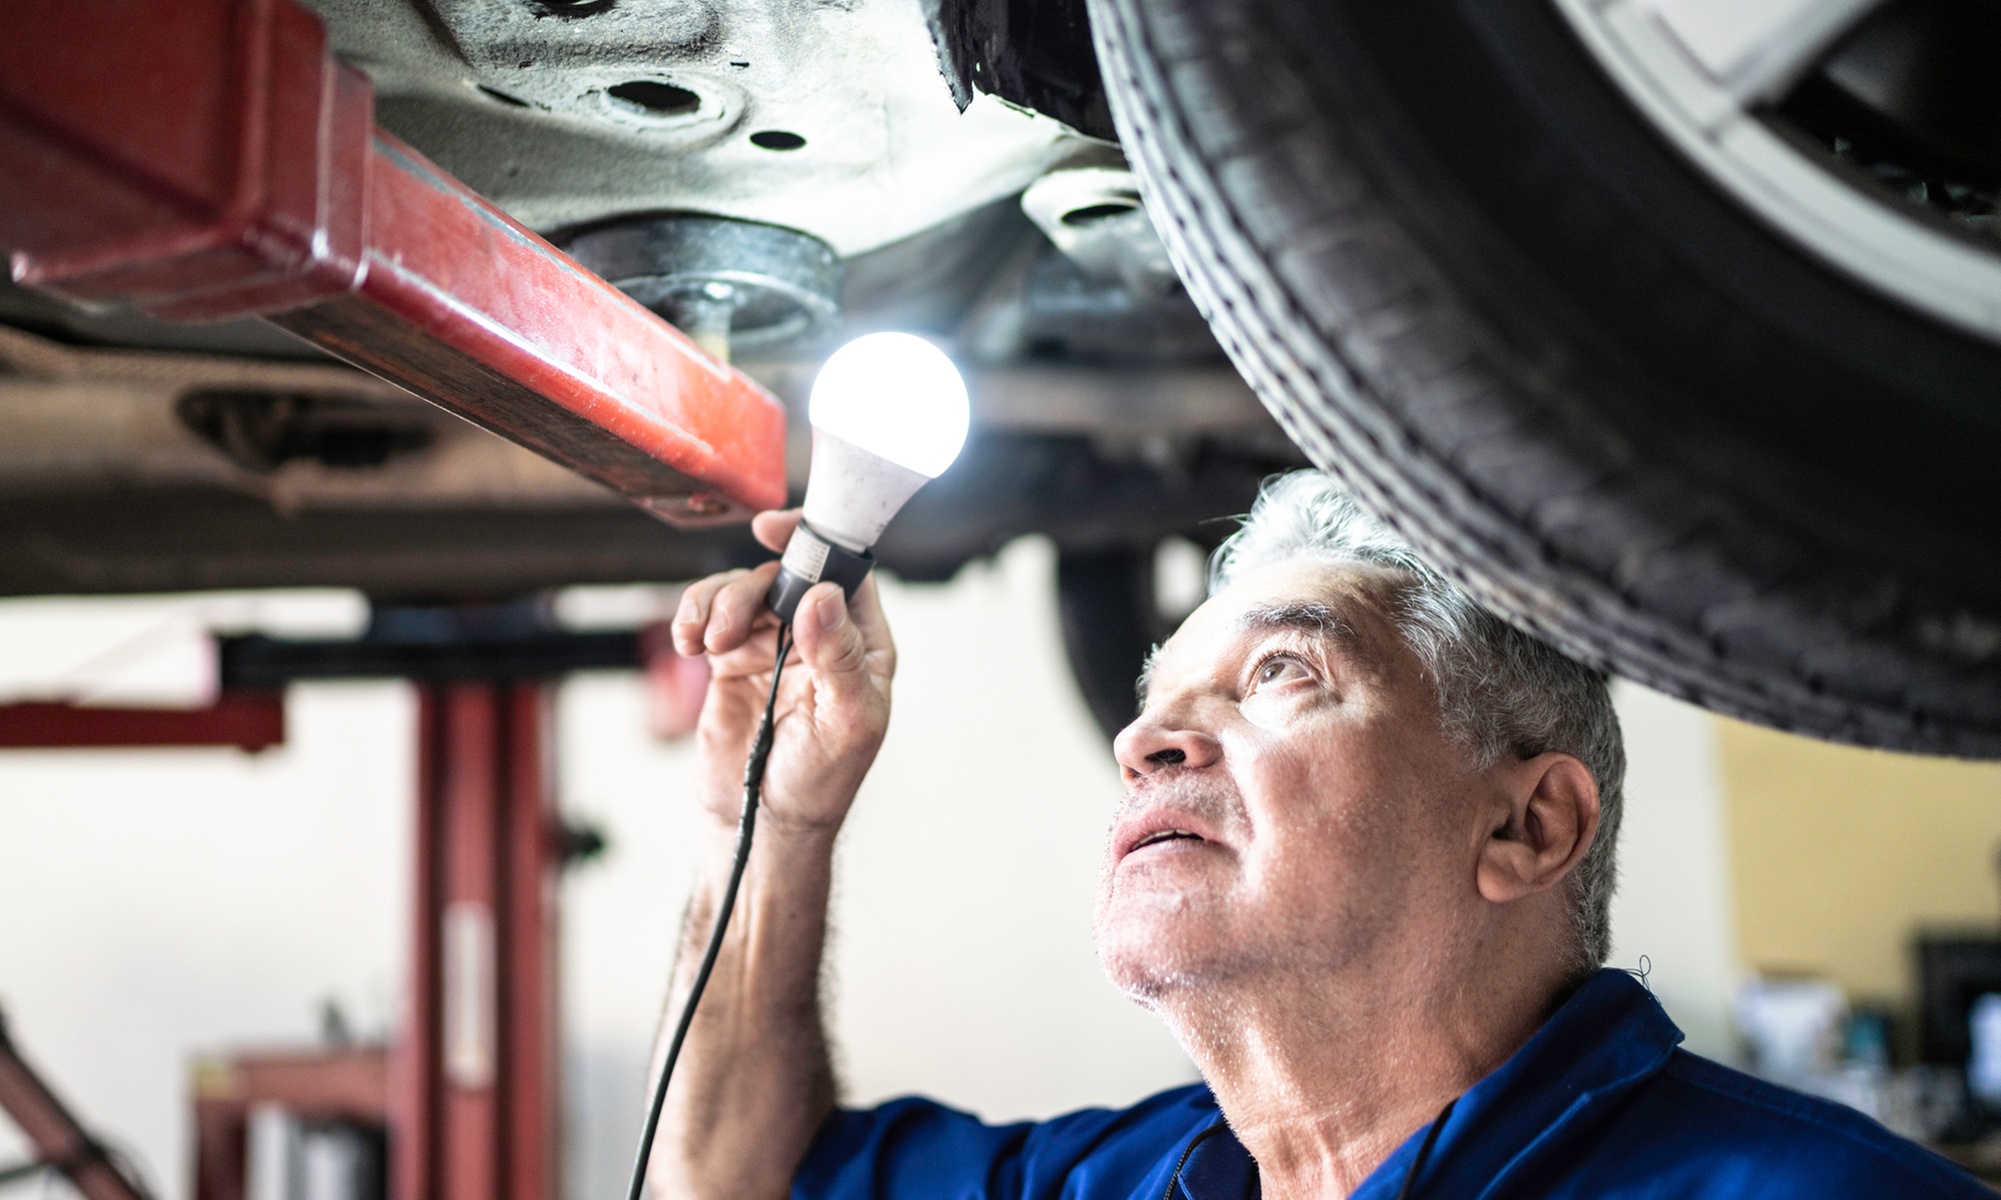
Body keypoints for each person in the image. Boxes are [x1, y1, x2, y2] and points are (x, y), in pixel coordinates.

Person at [651, 471, 1985, 1198]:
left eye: (1282, 674)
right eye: (1152, 700)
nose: (1145, 742)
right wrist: (766, 814)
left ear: (1524, 823)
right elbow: (731, 1180)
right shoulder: (1118, 1181)